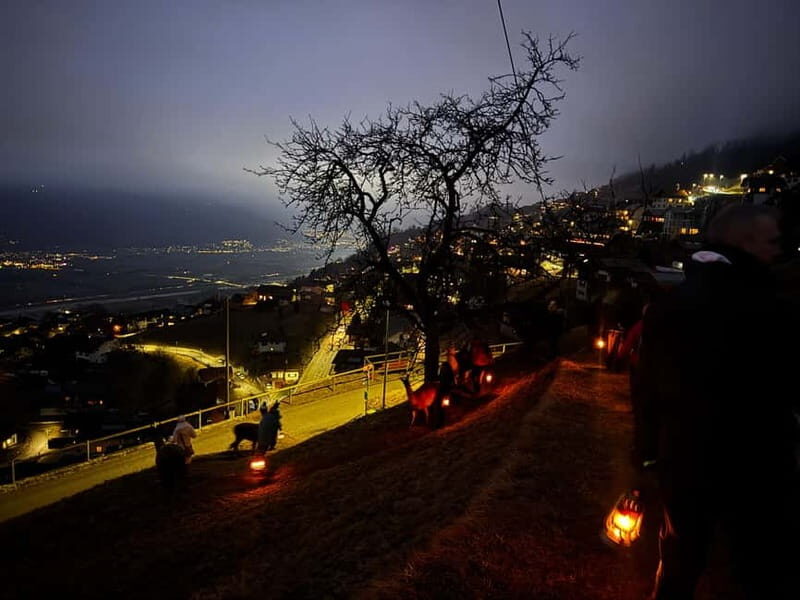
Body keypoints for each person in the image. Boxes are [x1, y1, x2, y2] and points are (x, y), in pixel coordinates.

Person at [636, 204, 798, 599]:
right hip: (757, 462)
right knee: (754, 568)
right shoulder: (770, 308)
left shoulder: (669, 305)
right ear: (744, 242)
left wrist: (647, 455)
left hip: (683, 459)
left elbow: (645, 389)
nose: (779, 248)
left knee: (680, 557)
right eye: (771, 240)